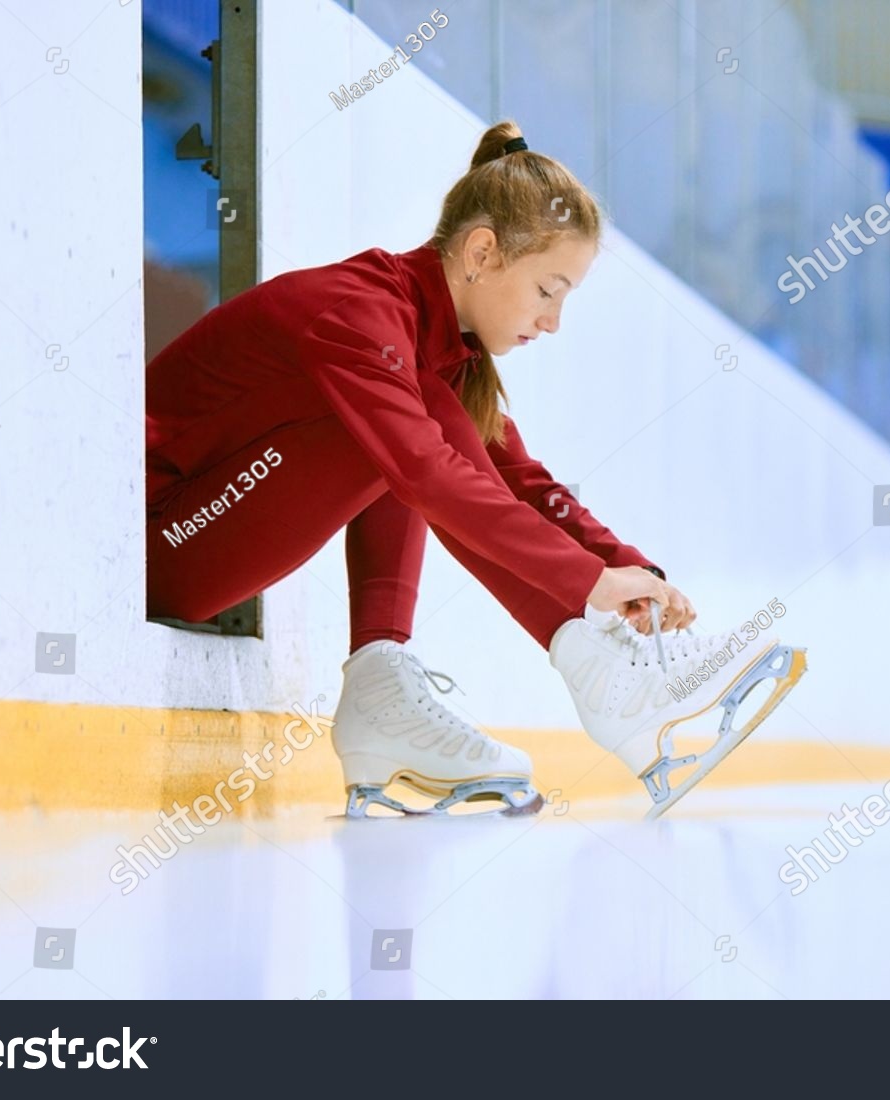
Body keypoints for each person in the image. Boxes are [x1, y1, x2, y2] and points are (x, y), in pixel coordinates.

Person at [145, 121, 803, 818]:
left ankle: (382, 688)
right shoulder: (357, 316)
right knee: (409, 431)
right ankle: (598, 674)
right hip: (167, 540)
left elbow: (525, 482)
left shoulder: (433, 351)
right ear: (482, 252)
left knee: (420, 413)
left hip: (209, 533)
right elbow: (427, 473)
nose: (553, 323)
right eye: (549, 290)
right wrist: (586, 585)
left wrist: (630, 573)